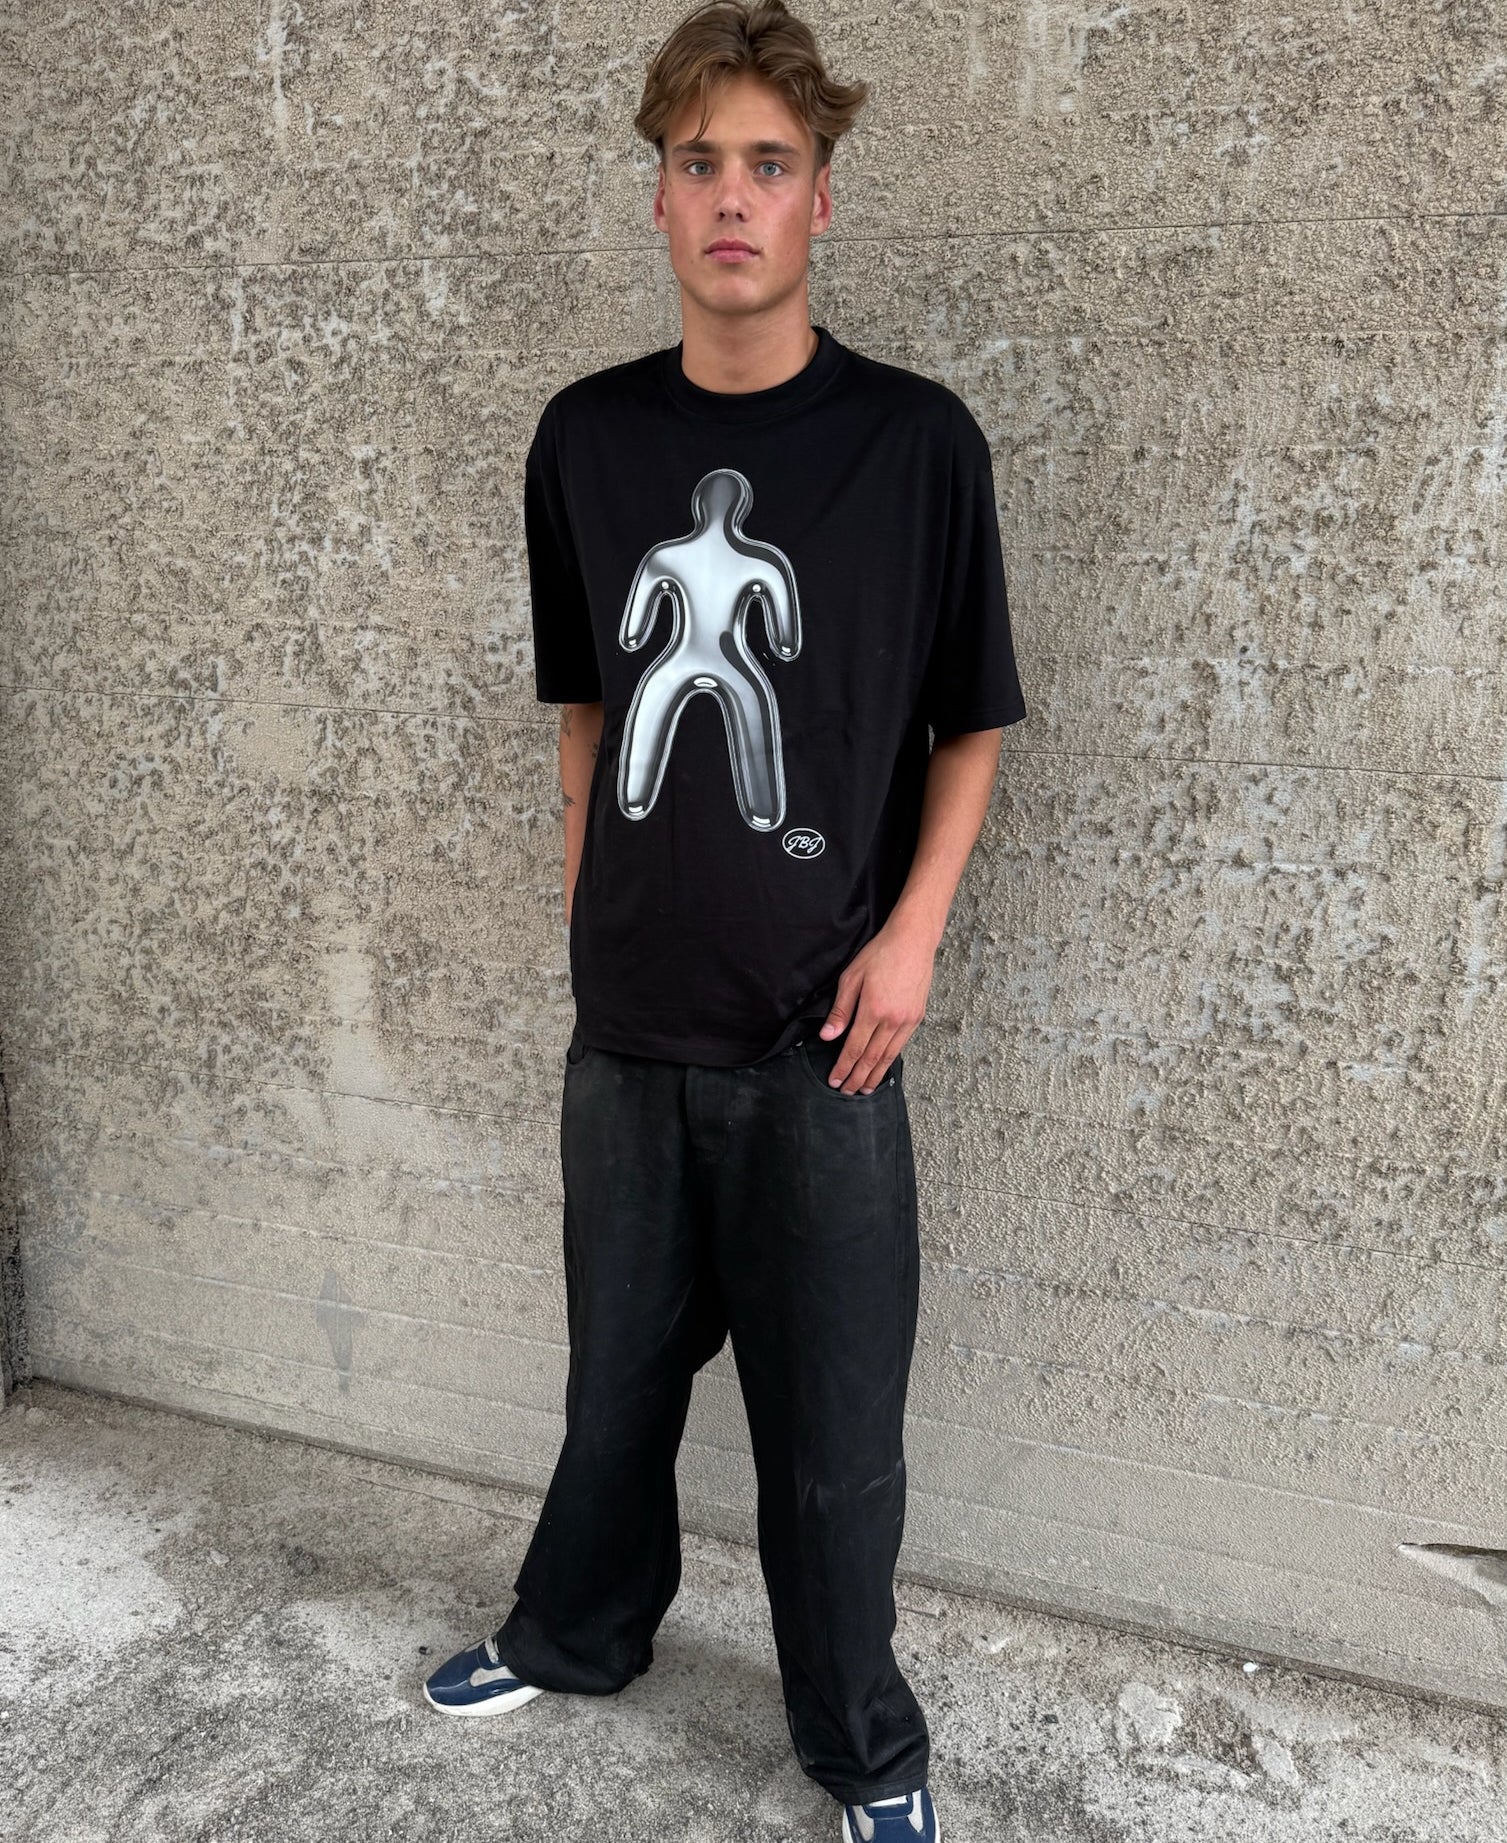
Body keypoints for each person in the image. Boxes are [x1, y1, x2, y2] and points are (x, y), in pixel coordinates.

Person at [424, 4, 1026, 1838]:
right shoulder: (587, 441)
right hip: (628, 1032)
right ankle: (577, 1632)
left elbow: (973, 721)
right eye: (701, 165)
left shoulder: (914, 446)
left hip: (818, 1041)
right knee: (614, 1388)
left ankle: (865, 1748)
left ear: (823, 198)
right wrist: (587, 895)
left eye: (771, 164)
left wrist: (911, 939)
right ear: (661, 197)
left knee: (832, 1441)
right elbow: (589, 701)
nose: (734, 199)